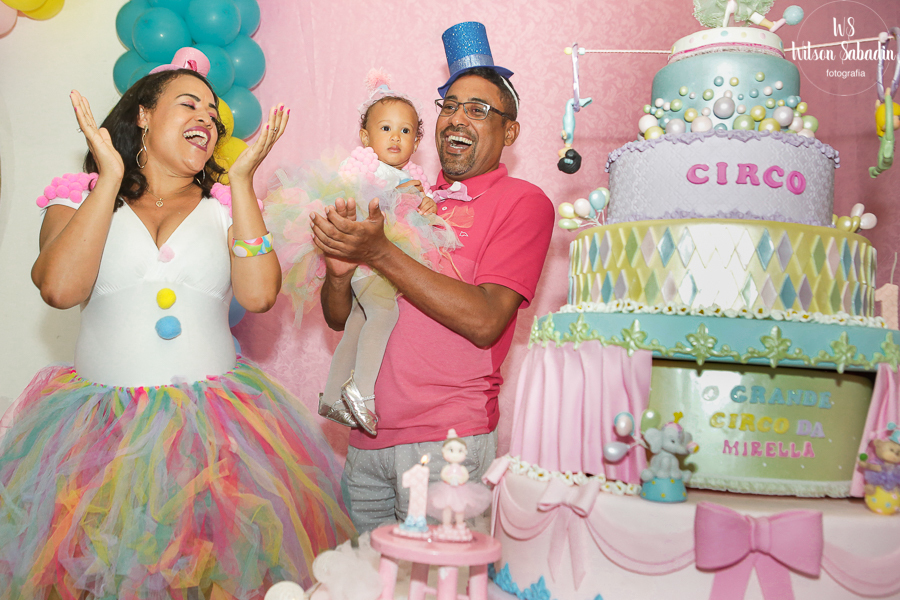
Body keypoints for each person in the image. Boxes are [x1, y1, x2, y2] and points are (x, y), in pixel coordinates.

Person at [0, 52, 354, 599]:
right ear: (143, 115)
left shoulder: (227, 205)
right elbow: (59, 289)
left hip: (215, 435)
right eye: (189, 105)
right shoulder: (76, 197)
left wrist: (241, 181)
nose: (207, 121)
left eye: (213, 116)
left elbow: (260, 295)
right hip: (99, 437)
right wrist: (109, 178)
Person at [311, 22, 556, 532]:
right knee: (361, 582)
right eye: (449, 106)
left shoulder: (524, 203)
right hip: (365, 444)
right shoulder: (401, 194)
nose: (457, 120)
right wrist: (338, 274)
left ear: (509, 131)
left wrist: (378, 252)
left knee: (437, 586)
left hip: (448, 446)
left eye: (478, 110)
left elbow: (486, 319)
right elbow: (340, 320)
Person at [267, 71, 454, 438]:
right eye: (385, 129)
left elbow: (416, 211)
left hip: (376, 262)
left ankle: (334, 394)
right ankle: (362, 393)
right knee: (385, 313)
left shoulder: (409, 175)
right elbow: (378, 204)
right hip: (368, 259)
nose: (395, 138)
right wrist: (408, 194)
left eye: (405, 131)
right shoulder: (369, 171)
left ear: (417, 140)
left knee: (358, 319)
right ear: (366, 137)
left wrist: (425, 202)